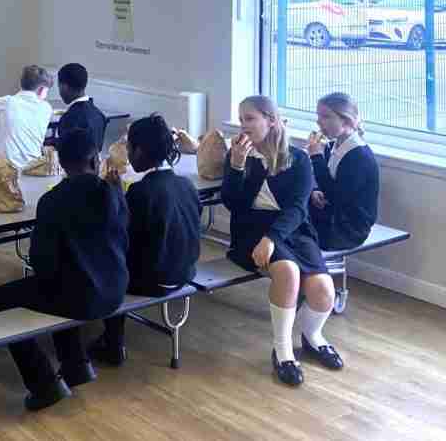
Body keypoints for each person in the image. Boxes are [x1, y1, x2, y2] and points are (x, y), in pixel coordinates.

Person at [0, 129, 129, 411]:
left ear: (61, 163)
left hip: (80, 296)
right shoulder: (112, 191)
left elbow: (42, 261)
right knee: (68, 281)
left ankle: (43, 383)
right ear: (96, 159)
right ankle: (75, 365)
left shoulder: (52, 201)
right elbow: (123, 240)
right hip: (116, 289)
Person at [221, 96, 343, 387]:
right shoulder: (239, 155)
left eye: (250, 119)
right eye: (241, 120)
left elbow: (299, 208)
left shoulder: (298, 158)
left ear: (271, 121)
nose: (243, 126)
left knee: (324, 292)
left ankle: (313, 337)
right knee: (287, 272)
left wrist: (272, 238)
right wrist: (236, 168)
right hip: (250, 229)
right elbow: (233, 204)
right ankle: (283, 351)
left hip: (292, 230)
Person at [88, 114, 201, 366]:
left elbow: (120, 236)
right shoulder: (186, 185)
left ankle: (113, 343)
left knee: (105, 261)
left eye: (129, 149)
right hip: (185, 272)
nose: (127, 155)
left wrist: (115, 195)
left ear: (140, 151)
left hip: (152, 279)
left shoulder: (141, 191)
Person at [307, 92, 379, 251]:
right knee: (290, 204)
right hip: (334, 216)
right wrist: (316, 191)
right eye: (319, 116)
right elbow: (327, 185)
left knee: (294, 228)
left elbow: (337, 196)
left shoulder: (358, 156)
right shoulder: (333, 145)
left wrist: (316, 157)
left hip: (348, 230)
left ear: (346, 121)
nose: (319, 122)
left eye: (326, 117)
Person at [47, 63, 108, 151]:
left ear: (64, 87)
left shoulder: (69, 118)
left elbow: (64, 154)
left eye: (59, 86)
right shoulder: (99, 115)